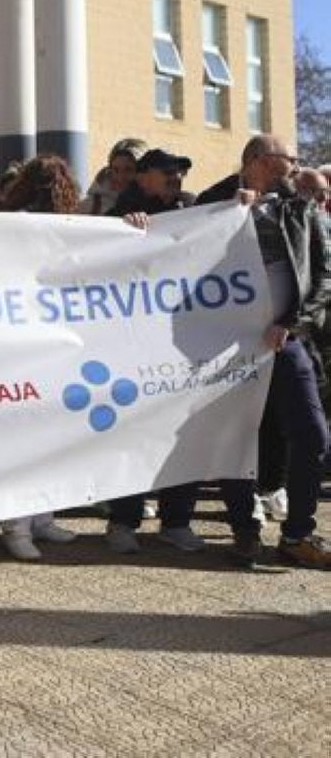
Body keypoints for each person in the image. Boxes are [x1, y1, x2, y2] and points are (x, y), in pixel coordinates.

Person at [195, 135, 331, 568]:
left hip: (286, 340)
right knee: (237, 436)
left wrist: (294, 323)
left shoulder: (301, 207)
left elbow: (325, 276)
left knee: (312, 434)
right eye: (284, 161)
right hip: (228, 344)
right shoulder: (213, 203)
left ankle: (297, 535)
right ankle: (244, 530)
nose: (293, 167)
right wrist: (233, 217)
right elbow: (176, 258)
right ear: (256, 162)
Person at [102, 148, 209, 554]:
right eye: (168, 172)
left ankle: (177, 520)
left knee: (183, 432)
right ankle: (123, 519)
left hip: (182, 343)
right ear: (144, 177)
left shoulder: (192, 208)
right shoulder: (122, 213)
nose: (177, 177)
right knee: (135, 433)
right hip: (134, 343)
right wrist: (126, 231)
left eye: (180, 171)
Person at [0, 156, 84, 559]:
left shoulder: (69, 227)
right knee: (23, 435)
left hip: (53, 337)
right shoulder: (3, 220)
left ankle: (42, 517)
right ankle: (16, 525)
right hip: (16, 339)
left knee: (51, 432)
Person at [78, 138, 147, 215]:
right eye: (115, 170)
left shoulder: (157, 203)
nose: (120, 177)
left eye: (129, 170)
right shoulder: (89, 206)